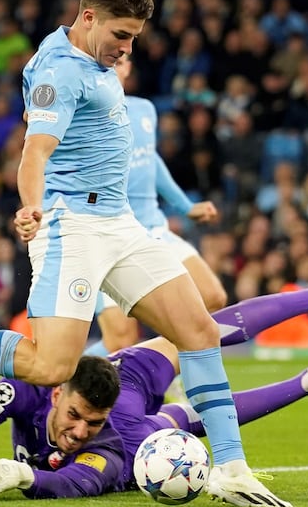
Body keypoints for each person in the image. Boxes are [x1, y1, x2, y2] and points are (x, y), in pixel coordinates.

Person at [0, 0, 284, 507]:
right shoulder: (59, 73)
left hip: (119, 223)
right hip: (71, 227)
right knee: (53, 367)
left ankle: (230, 469)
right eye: (120, 35)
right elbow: (35, 150)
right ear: (88, 17)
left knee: (199, 330)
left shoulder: (91, 53)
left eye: (134, 37)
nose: (127, 48)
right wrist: (31, 206)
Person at [0, 276, 308, 502]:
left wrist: (25, 476)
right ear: (54, 393)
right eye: (75, 417)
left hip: (128, 404)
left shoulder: (111, 439)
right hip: (117, 377)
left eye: (91, 422)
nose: (80, 431)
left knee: (195, 350)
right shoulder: (24, 389)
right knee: (189, 369)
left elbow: (76, 482)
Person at [88, 53, 226, 356]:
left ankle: (161, 370)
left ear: (128, 67)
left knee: (212, 297)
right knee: (119, 339)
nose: (115, 67)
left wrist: (185, 206)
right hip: (111, 238)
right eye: (107, 63)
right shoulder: (84, 116)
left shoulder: (144, 110)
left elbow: (149, 158)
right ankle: (56, 386)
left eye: (120, 61)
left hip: (153, 229)